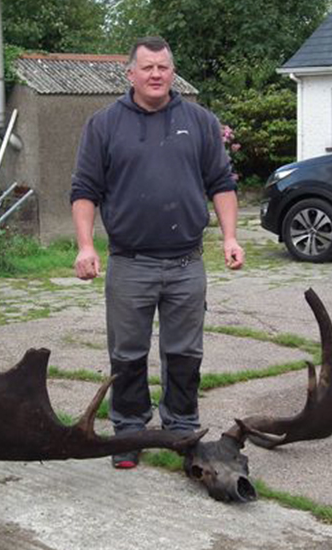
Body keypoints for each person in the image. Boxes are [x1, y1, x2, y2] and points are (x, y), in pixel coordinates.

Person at [70, 36, 244, 469]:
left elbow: (221, 184)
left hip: (187, 263)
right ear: (130, 73)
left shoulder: (200, 122)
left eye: (163, 67)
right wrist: (86, 245)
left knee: (185, 353)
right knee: (127, 354)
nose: (155, 75)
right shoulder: (104, 125)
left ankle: (182, 431)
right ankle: (129, 433)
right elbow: (85, 190)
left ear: (172, 72)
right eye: (147, 67)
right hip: (130, 263)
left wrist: (230, 238)